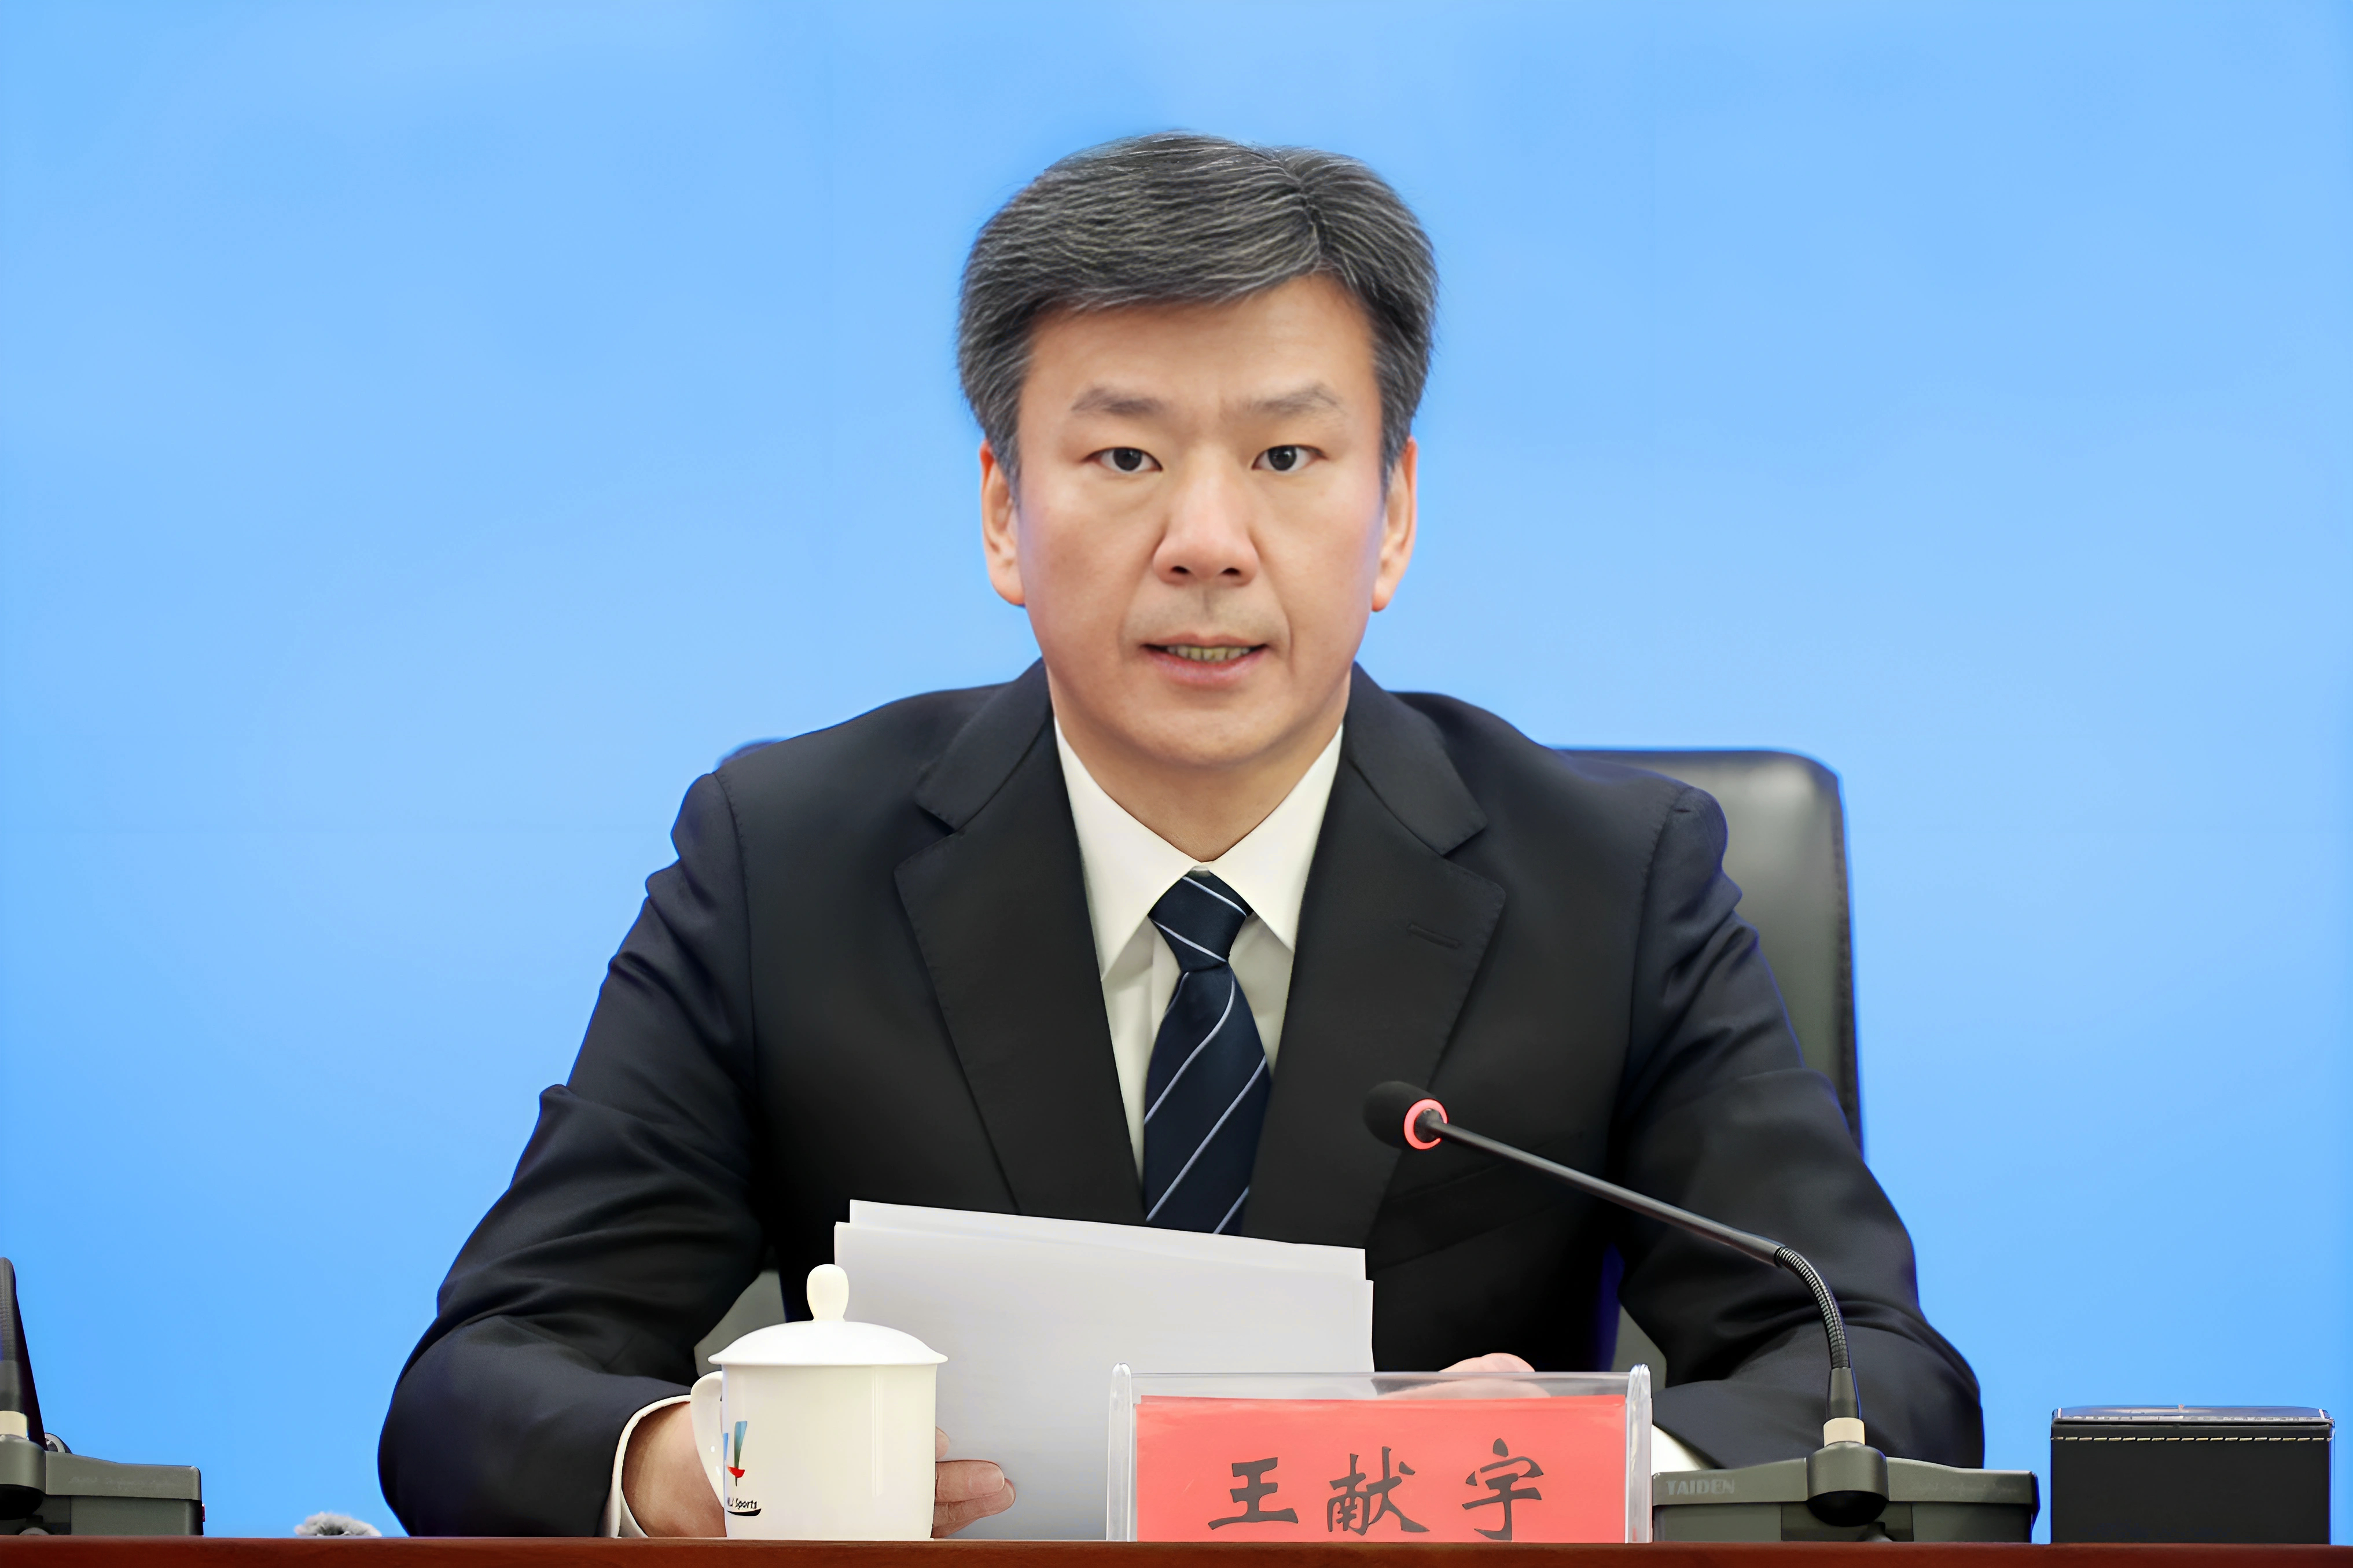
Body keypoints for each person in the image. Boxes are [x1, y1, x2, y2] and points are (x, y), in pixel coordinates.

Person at [378, 132, 1981, 1538]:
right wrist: (695, 1466)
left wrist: (1565, 1471)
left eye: (1286, 457)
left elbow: (1874, 1376)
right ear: (1004, 511)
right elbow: (482, 1383)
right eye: (1125, 457)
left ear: (1392, 514)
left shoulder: (1613, 884)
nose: (1207, 543)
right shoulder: (784, 865)